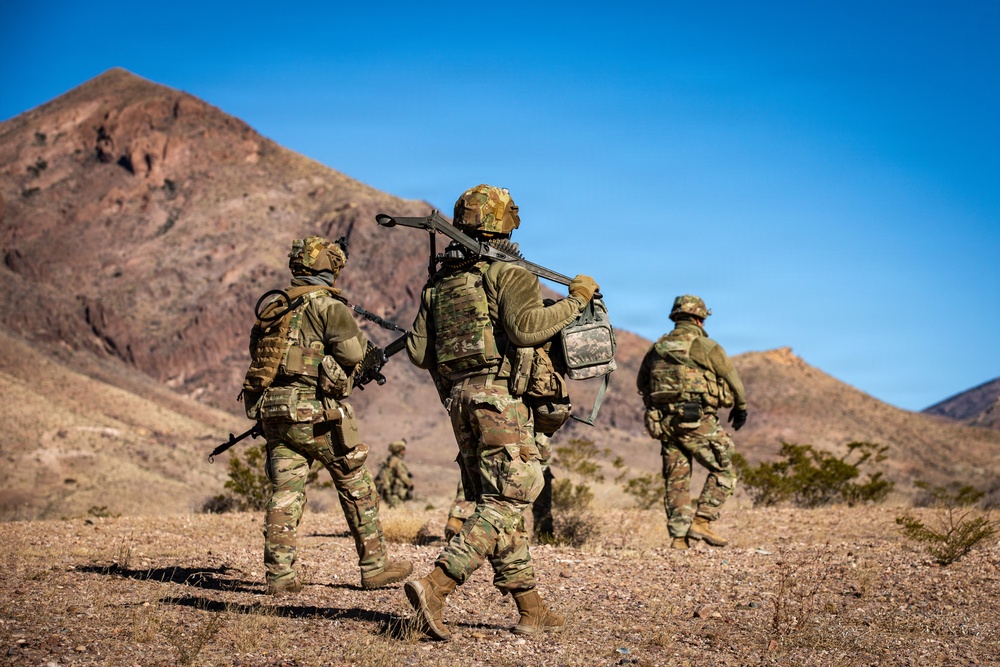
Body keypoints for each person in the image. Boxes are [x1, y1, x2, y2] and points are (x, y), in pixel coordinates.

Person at [403, 184, 599, 640]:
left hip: (460, 403)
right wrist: (576, 300)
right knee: (510, 499)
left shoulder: (441, 282)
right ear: (504, 220)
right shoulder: (509, 274)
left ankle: (532, 610)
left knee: (494, 506)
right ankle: (436, 587)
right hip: (500, 400)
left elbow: (417, 352)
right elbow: (526, 329)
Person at [241, 235, 412, 595]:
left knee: (285, 492)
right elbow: (351, 354)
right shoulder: (327, 307)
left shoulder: (275, 308)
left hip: (274, 411)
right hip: (313, 413)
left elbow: (262, 354)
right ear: (329, 267)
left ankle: (280, 577)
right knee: (356, 483)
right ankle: (375, 566)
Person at [636, 295, 748, 550]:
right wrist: (741, 407)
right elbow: (733, 379)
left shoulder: (657, 348)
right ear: (700, 319)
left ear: (676, 317)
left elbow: (641, 384)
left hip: (664, 423)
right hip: (696, 419)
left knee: (677, 477)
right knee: (725, 470)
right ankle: (702, 520)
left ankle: (678, 539)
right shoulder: (705, 346)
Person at [375, 440, 414, 508]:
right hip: (394, 491)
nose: (405, 451)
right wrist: (409, 483)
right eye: (403, 449)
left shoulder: (390, 459)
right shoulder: (396, 461)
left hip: (388, 489)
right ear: (398, 450)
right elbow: (402, 475)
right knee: (397, 509)